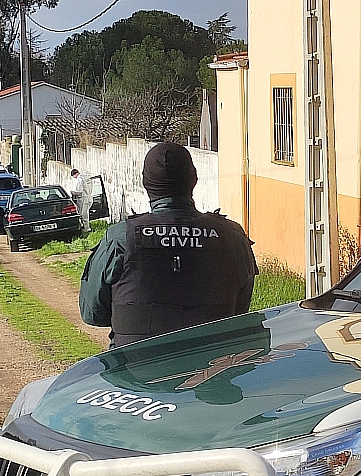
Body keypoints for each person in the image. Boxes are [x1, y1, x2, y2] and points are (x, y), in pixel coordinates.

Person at [79, 142, 257, 349]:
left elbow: (92, 313)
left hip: (136, 374)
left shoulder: (121, 238)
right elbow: (239, 310)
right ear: (194, 180)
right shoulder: (232, 236)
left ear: (146, 184)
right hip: (214, 370)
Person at [69, 168, 93, 234]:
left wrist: (72, 192)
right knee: (84, 213)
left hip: (83, 198)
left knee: (83, 214)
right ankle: (85, 227)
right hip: (88, 197)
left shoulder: (80, 179)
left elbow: (79, 191)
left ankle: (86, 228)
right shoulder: (86, 177)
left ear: (75, 174)